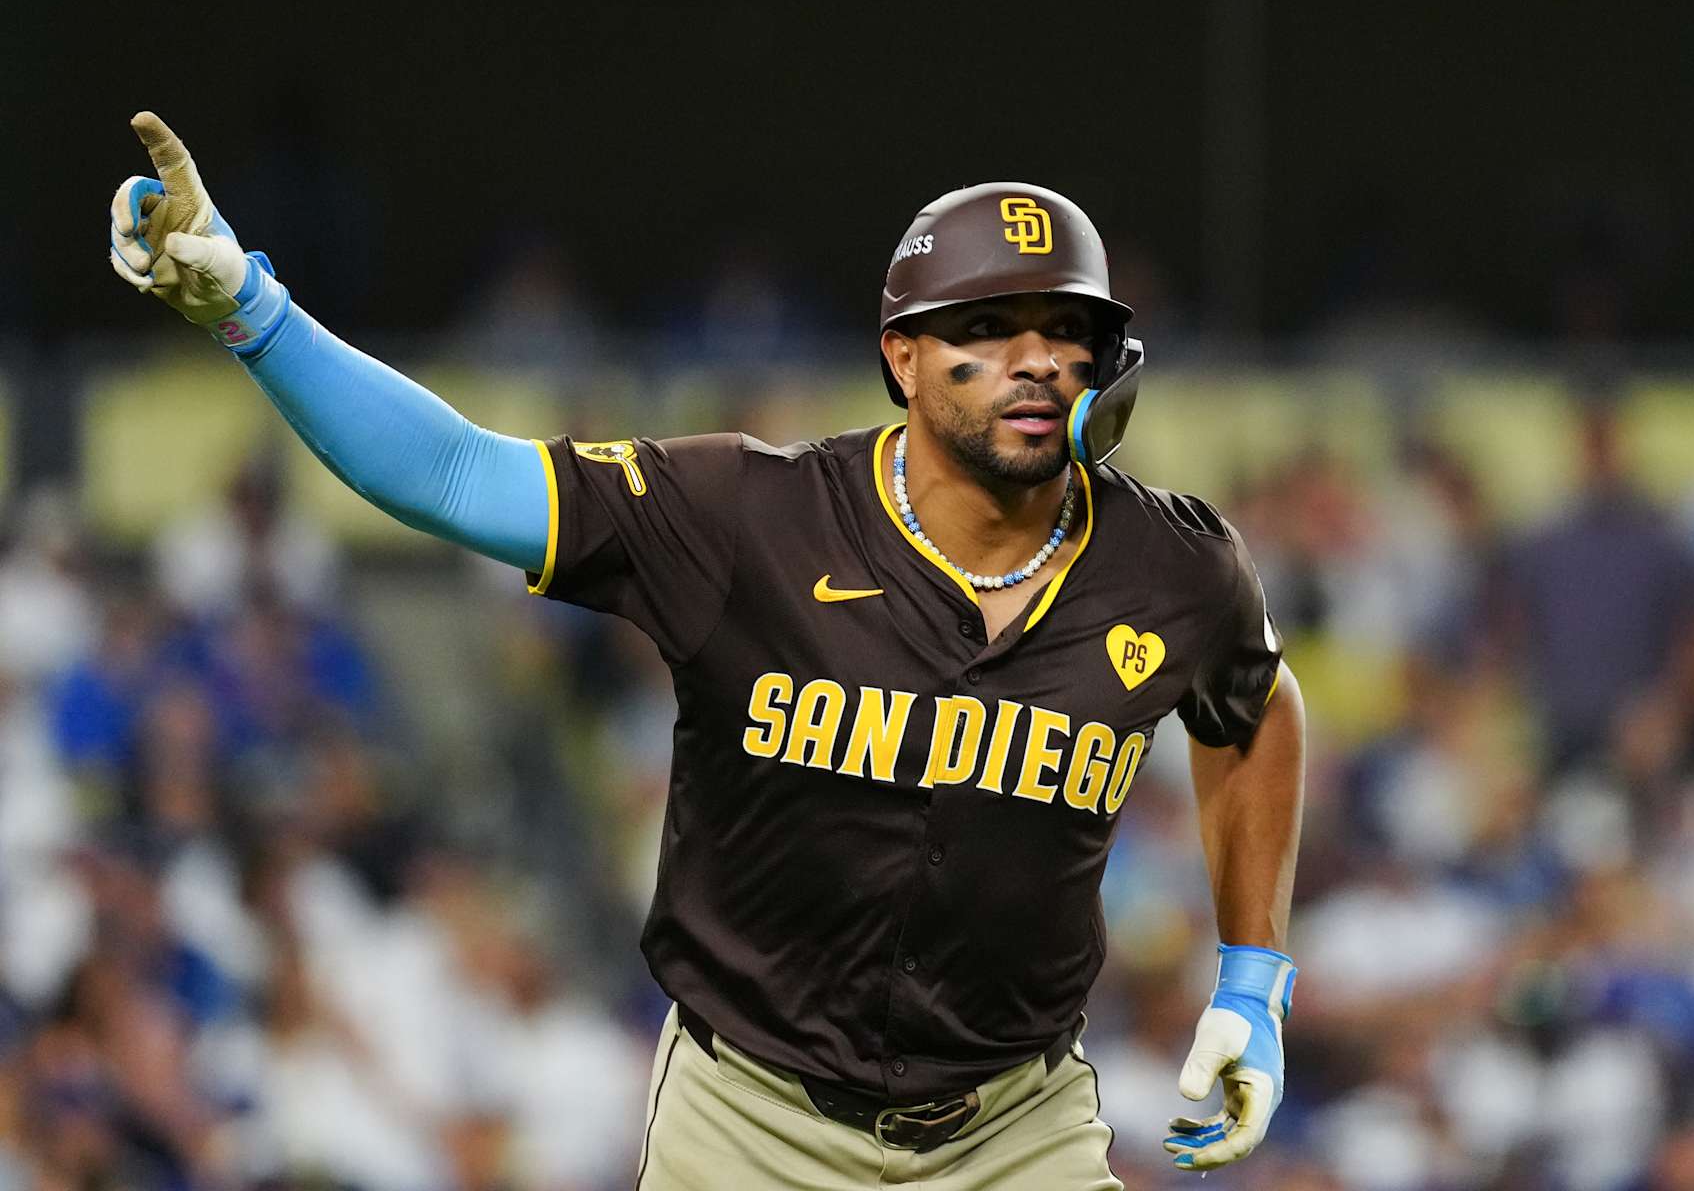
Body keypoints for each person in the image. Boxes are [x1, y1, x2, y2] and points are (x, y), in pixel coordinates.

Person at [108, 111, 1306, 1188]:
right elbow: (455, 471)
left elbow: (1255, 712)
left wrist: (1253, 982)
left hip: (1014, 1128)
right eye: (985, 330)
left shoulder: (1175, 568)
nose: (1035, 360)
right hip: (750, 1121)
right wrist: (251, 313)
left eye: (1066, 331)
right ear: (902, 358)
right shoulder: (746, 516)